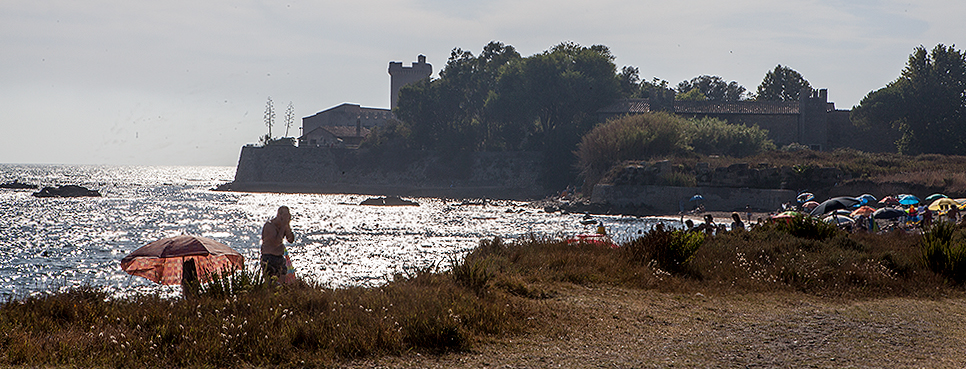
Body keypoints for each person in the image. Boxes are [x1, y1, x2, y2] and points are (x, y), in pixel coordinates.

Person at [261, 206, 295, 280]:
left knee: (281, 282)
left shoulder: (284, 226)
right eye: (284, 216)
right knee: (271, 283)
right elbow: (276, 242)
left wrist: (287, 226)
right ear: (279, 215)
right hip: (269, 257)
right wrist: (283, 226)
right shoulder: (270, 225)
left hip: (279, 257)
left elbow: (291, 240)